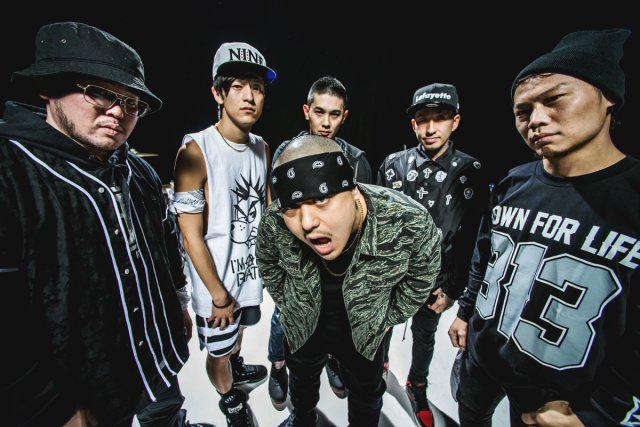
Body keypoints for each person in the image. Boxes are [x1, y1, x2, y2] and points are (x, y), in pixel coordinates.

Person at [0, 22, 209, 426]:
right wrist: (50, 406)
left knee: (165, 408)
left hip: (152, 352)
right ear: (50, 86)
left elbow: (166, 242)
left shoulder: (138, 170)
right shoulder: (13, 173)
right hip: (83, 388)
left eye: (132, 103)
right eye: (99, 93)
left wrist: (177, 303)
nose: (118, 111)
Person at [447, 29, 638, 426]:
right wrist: (465, 311)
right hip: (484, 358)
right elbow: (486, 256)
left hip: (557, 395)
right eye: (523, 111)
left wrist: (598, 412)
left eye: (554, 100)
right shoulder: (514, 182)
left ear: (608, 97)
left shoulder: (631, 200)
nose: (536, 120)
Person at [256, 134, 441, 426]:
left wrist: (388, 317)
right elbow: (268, 263)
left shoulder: (408, 220)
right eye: (292, 206)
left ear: (353, 191)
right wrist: (290, 305)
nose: (307, 223)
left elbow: (422, 275)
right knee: (301, 382)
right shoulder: (274, 220)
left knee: (366, 393)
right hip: (303, 326)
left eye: (321, 199)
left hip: (364, 333)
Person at [172, 42, 274, 426]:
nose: (249, 96)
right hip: (217, 286)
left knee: (240, 333)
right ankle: (229, 399)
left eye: (257, 87)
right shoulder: (195, 150)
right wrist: (217, 295)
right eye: (238, 86)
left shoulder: (262, 147)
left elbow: (267, 212)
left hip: (249, 276)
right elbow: (190, 235)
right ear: (218, 93)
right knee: (217, 354)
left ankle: (236, 362)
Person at [377, 82, 487, 426]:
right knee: (381, 329)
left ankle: (417, 384)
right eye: (423, 119)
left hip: (435, 283)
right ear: (413, 125)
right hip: (392, 278)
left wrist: (454, 290)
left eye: (439, 118)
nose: (430, 128)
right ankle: (378, 369)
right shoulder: (393, 165)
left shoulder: (470, 170)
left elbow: (473, 240)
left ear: (455, 121)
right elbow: (376, 229)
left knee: (424, 337)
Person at [267, 76, 373, 406]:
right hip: (298, 257)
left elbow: (364, 219)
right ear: (306, 111)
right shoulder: (286, 153)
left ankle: (330, 361)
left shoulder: (356, 159)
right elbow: (277, 211)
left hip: (338, 262)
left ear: (344, 116)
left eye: (334, 114)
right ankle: (277, 367)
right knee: (284, 317)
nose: (326, 122)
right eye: (319, 112)